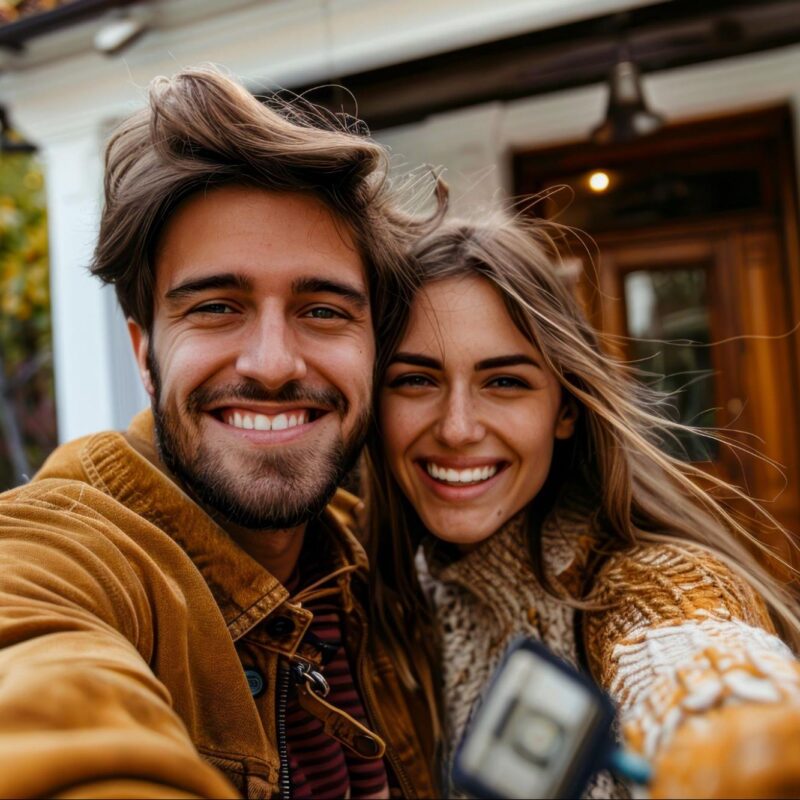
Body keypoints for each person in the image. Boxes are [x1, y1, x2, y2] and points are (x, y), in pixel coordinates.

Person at [0, 67, 441, 799]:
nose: (272, 364)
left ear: (375, 350)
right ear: (146, 355)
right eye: (215, 307)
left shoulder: (375, 551)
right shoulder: (70, 553)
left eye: (324, 310)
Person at [363, 215, 800, 799]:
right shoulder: (395, 592)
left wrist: (733, 737)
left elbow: (689, 648)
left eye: (505, 383)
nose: (458, 428)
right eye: (416, 380)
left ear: (565, 409)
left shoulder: (641, 579)